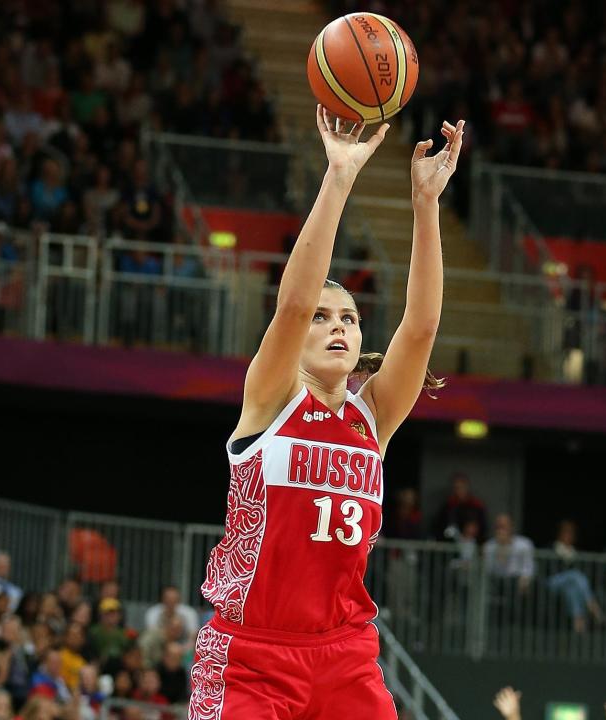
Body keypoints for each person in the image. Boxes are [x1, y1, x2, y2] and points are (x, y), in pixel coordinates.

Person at [190, 105, 462, 720]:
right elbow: (290, 306)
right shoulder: (272, 395)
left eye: (348, 318)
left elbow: (421, 328)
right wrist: (339, 176)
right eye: (323, 317)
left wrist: (426, 205)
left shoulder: (373, 417)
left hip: (344, 657)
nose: (336, 325)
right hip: (252, 656)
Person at [548, 520, 604, 633]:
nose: (569, 536)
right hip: (552, 582)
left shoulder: (576, 553)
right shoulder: (551, 548)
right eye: (566, 532)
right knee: (575, 574)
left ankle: (578, 625)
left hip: (568, 586)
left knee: (572, 590)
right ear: (560, 534)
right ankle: (592, 605)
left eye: (571, 533)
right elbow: (549, 569)